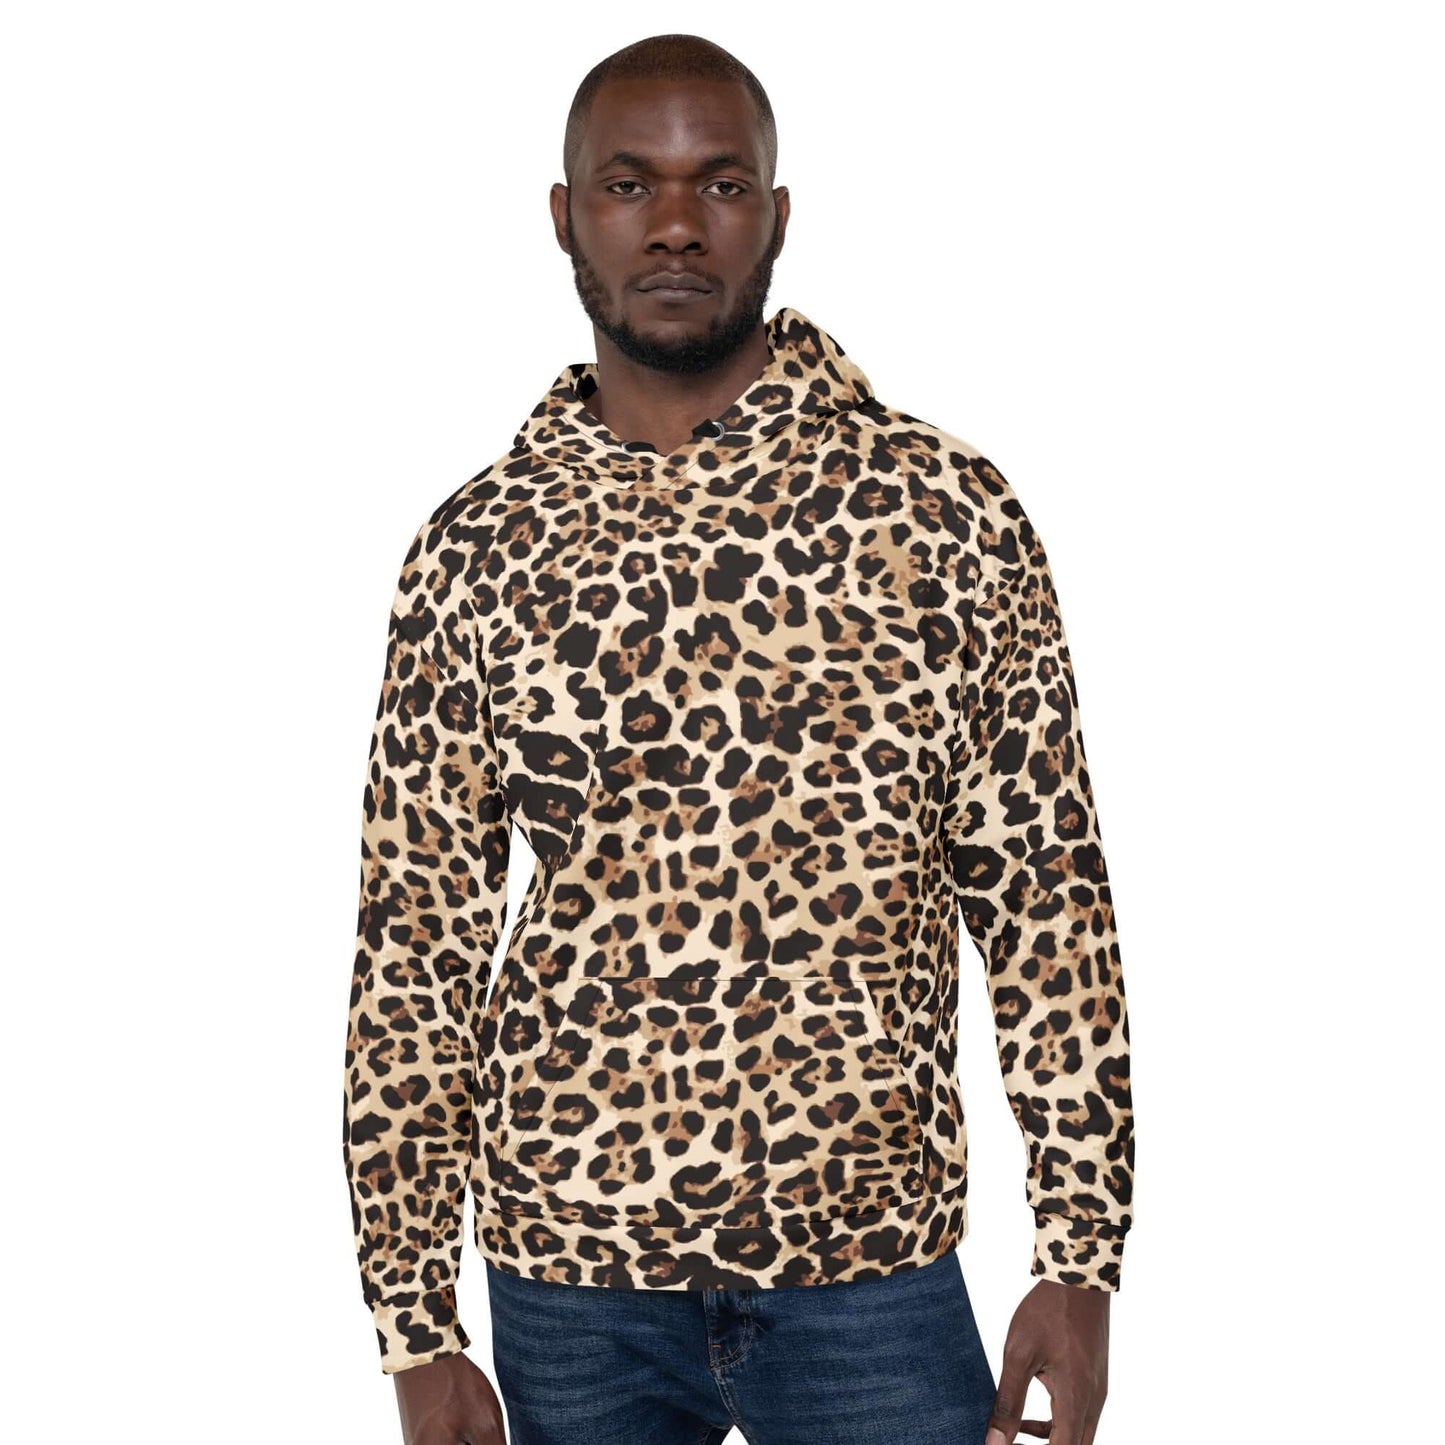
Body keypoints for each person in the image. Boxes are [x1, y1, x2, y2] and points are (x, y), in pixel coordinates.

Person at [341, 31, 1134, 1445]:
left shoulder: (939, 513)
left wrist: (1079, 1257)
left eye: (719, 184)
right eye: (627, 184)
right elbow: (417, 946)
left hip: (870, 1270)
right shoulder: (478, 550)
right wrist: (416, 1325)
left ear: (776, 214)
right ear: (564, 215)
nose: (673, 224)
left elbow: (1044, 897)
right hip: (567, 1281)